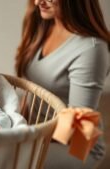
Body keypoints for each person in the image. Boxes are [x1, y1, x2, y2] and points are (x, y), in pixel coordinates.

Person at [15, 0, 110, 168]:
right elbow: (31, 89)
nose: (38, 2)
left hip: (75, 146)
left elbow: (77, 128)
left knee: (9, 158)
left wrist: (27, 138)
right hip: (39, 132)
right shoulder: (43, 26)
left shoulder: (91, 49)